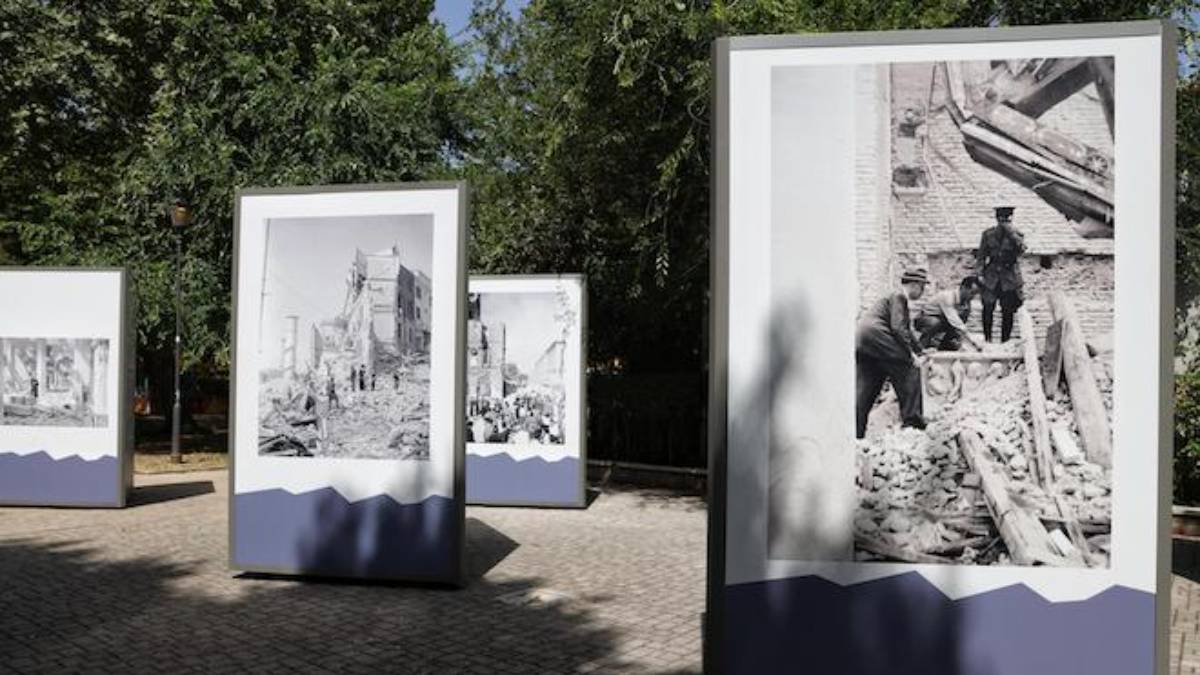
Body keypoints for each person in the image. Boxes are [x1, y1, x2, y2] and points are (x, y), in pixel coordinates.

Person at [855, 267, 930, 439]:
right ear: (913, 285)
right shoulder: (899, 297)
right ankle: (914, 424)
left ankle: (855, 432)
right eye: (922, 287)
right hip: (877, 336)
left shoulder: (892, 299)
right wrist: (911, 354)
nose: (923, 291)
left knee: (868, 384)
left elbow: (907, 330)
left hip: (862, 339)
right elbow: (898, 328)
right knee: (911, 368)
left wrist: (920, 350)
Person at [976, 206, 1026, 343]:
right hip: (991, 276)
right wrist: (979, 273)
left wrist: (1011, 233)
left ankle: (1005, 340)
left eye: (1007, 219)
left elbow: (1021, 250)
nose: (1003, 222)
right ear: (997, 219)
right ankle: (988, 339)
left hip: (1009, 277)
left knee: (1008, 310)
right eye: (1001, 219)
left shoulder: (1017, 235)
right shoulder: (988, 234)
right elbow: (981, 256)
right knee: (988, 307)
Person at [914, 275, 985, 352]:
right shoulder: (947, 297)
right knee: (934, 323)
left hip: (944, 321)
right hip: (924, 319)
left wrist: (961, 342)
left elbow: (961, 324)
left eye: (976, 293)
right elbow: (955, 321)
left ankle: (945, 345)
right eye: (972, 292)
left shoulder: (966, 304)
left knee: (954, 332)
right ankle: (921, 347)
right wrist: (972, 341)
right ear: (963, 288)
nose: (973, 296)